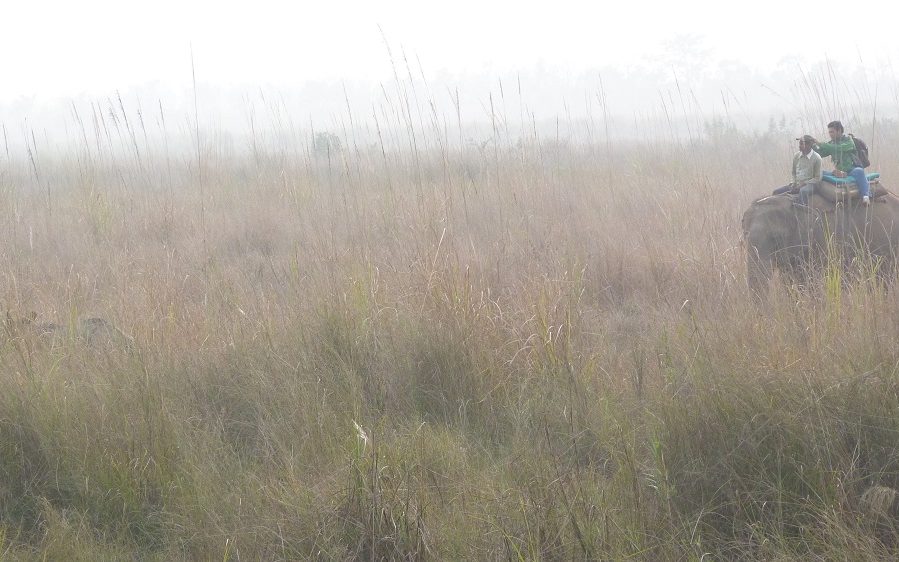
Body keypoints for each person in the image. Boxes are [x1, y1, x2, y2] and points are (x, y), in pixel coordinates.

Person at [810, 120, 870, 204]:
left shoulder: (849, 141)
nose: (830, 134)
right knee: (820, 173)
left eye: (832, 132)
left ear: (839, 131)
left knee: (859, 171)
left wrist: (820, 143)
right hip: (839, 173)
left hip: (851, 170)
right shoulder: (831, 143)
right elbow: (820, 154)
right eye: (829, 132)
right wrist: (812, 145)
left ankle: (865, 196)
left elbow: (837, 148)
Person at [772, 135, 823, 204]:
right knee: (776, 192)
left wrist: (804, 183)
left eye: (802, 144)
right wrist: (793, 183)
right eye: (799, 143)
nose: (799, 146)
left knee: (803, 192)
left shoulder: (817, 158)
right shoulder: (797, 156)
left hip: (810, 185)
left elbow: (817, 178)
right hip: (797, 184)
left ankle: (803, 211)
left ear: (809, 145)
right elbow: (793, 172)